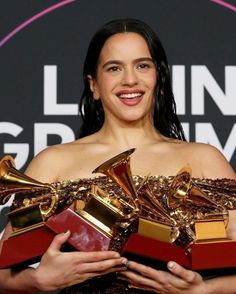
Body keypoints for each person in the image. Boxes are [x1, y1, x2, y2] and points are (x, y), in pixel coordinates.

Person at [0, 18, 236, 293]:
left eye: (142, 66)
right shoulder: (53, 162)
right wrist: (37, 281)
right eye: (114, 68)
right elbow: (3, 272)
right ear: (94, 85)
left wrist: (205, 290)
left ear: (159, 79)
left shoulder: (205, 159)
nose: (130, 79)